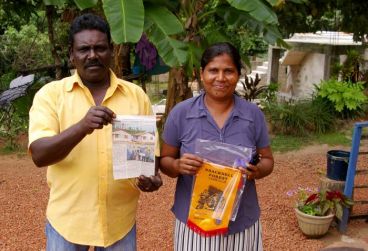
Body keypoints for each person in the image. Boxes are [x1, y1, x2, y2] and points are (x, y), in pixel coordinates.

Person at [28, 13, 162, 250]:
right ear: (72, 54)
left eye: (100, 48)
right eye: (84, 49)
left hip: (119, 222)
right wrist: (82, 126)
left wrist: (152, 178)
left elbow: (150, 158)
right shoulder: (50, 95)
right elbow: (40, 155)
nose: (92, 55)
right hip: (68, 222)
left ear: (111, 50)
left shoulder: (136, 96)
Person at [160, 42, 274, 251]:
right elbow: (165, 160)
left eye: (228, 71)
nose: (220, 78)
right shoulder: (181, 113)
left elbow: (268, 160)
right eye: (213, 70)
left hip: (241, 222)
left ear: (238, 74)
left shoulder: (252, 115)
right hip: (194, 224)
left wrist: (256, 171)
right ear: (202, 74)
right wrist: (177, 166)